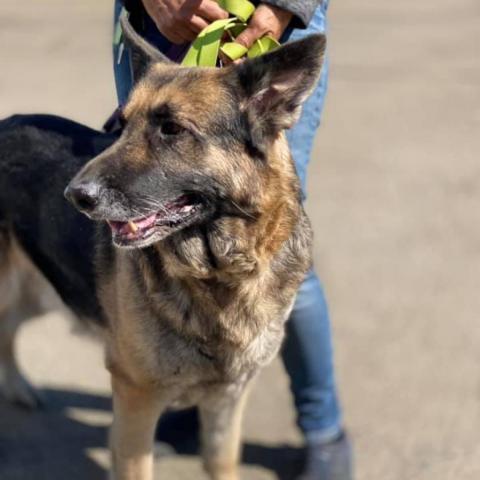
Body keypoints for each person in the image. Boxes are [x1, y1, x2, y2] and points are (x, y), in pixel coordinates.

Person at [110, 1, 353, 479]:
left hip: (273, 34)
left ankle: (324, 429)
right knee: (157, 225)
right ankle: (180, 391)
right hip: (156, 24)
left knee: (269, 247)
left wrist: (287, 5)